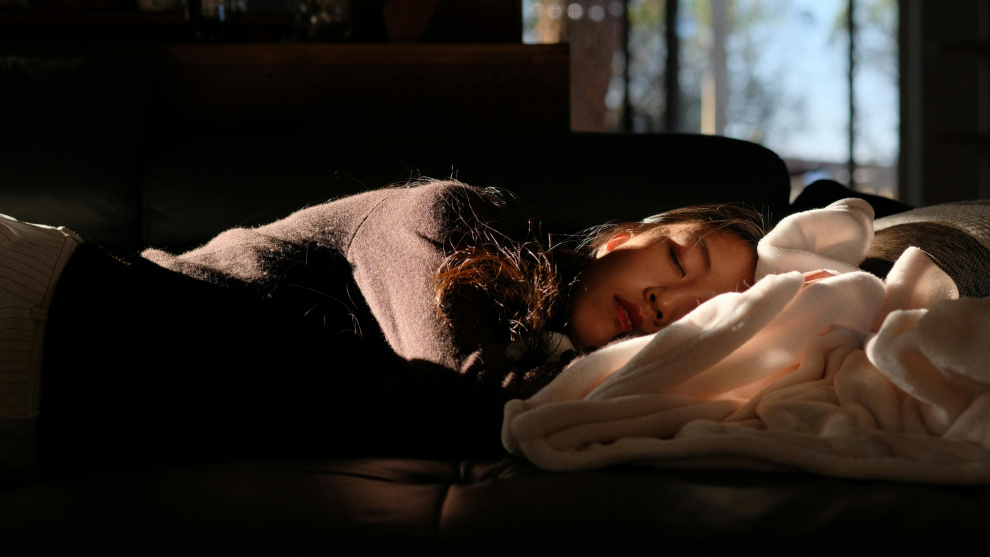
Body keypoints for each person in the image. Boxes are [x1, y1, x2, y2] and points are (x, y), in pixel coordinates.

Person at [1, 180, 766, 480]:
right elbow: (471, 400)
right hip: (52, 306)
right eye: (678, 259)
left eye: (702, 313)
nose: (668, 301)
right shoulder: (450, 214)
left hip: (53, 430)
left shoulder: (554, 357)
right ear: (621, 239)